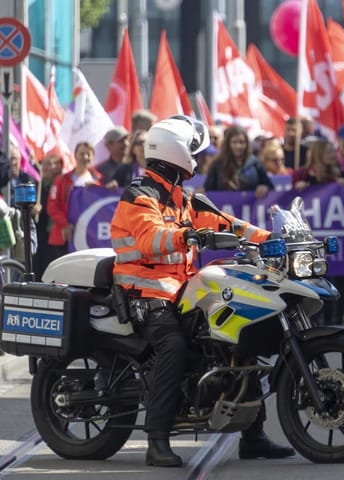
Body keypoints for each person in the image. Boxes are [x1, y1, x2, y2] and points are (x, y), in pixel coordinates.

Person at [110, 115, 294, 467]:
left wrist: (272, 238)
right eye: (194, 150)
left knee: (241, 332)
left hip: (181, 290)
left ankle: (253, 437)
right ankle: (157, 440)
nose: (199, 156)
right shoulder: (140, 195)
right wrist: (186, 235)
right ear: (176, 152)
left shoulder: (186, 198)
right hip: (145, 293)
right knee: (174, 346)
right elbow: (150, 239)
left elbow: (229, 224)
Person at [47, 142, 102, 261]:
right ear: (75, 156)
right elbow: (52, 206)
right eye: (82, 154)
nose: (85, 157)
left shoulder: (98, 181)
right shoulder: (62, 180)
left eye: (89, 154)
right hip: (64, 236)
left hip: (88, 237)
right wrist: (65, 224)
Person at [204, 126, 274, 198]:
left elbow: (270, 187)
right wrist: (202, 191)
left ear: (247, 143)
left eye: (242, 142)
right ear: (228, 144)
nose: (238, 146)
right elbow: (207, 189)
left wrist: (265, 188)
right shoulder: (217, 164)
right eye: (234, 142)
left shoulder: (256, 163)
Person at [33, 153, 63, 280]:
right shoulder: (36, 184)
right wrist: (32, 210)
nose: (44, 167)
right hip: (39, 234)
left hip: (55, 236)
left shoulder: (61, 184)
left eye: (49, 164)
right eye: (43, 164)